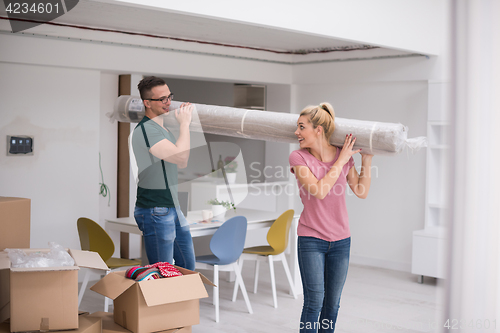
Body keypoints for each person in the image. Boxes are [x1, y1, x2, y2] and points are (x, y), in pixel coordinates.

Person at [289, 103, 373, 333]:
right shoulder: (298, 158)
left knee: (332, 305)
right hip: (311, 239)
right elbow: (319, 190)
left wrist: (366, 160)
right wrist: (341, 160)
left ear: (318, 130)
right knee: (314, 303)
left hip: (341, 241)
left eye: (301, 127)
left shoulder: (342, 156)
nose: (296, 132)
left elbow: (361, 191)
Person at [131, 76, 195, 270]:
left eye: (169, 97)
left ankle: (183, 302)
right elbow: (181, 159)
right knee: (162, 271)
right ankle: (163, 301)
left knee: (187, 267)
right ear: (147, 103)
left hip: (172, 207)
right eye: (162, 99)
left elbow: (180, 163)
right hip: (155, 210)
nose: (168, 103)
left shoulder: (162, 128)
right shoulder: (146, 130)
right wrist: (185, 124)